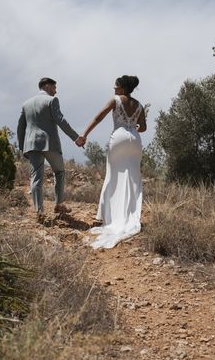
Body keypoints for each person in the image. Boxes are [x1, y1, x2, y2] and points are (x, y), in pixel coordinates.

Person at [81, 75, 146, 249]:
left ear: (123, 88)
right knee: (132, 179)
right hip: (135, 140)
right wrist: (134, 127)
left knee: (114, 176)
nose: (114, 88)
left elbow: (98, 117)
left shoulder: (116, 100)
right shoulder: (139, 105)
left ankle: (110, 217)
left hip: (119, 138)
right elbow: (144, 127)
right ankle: (130, 216)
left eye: (116, 86)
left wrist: (84, 135)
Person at [17, 77, 86, 222]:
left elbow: (20, 128)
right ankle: (59, 204)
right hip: (49, 143)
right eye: (54, 87)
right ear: (47, 86)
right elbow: (60, 120)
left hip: (31, 145)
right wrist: (76, 138)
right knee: (59, 171)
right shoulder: (51, 100)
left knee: (36, 177)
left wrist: (23, 147)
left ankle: (39, 211)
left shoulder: (26, 104)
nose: (56, 91)